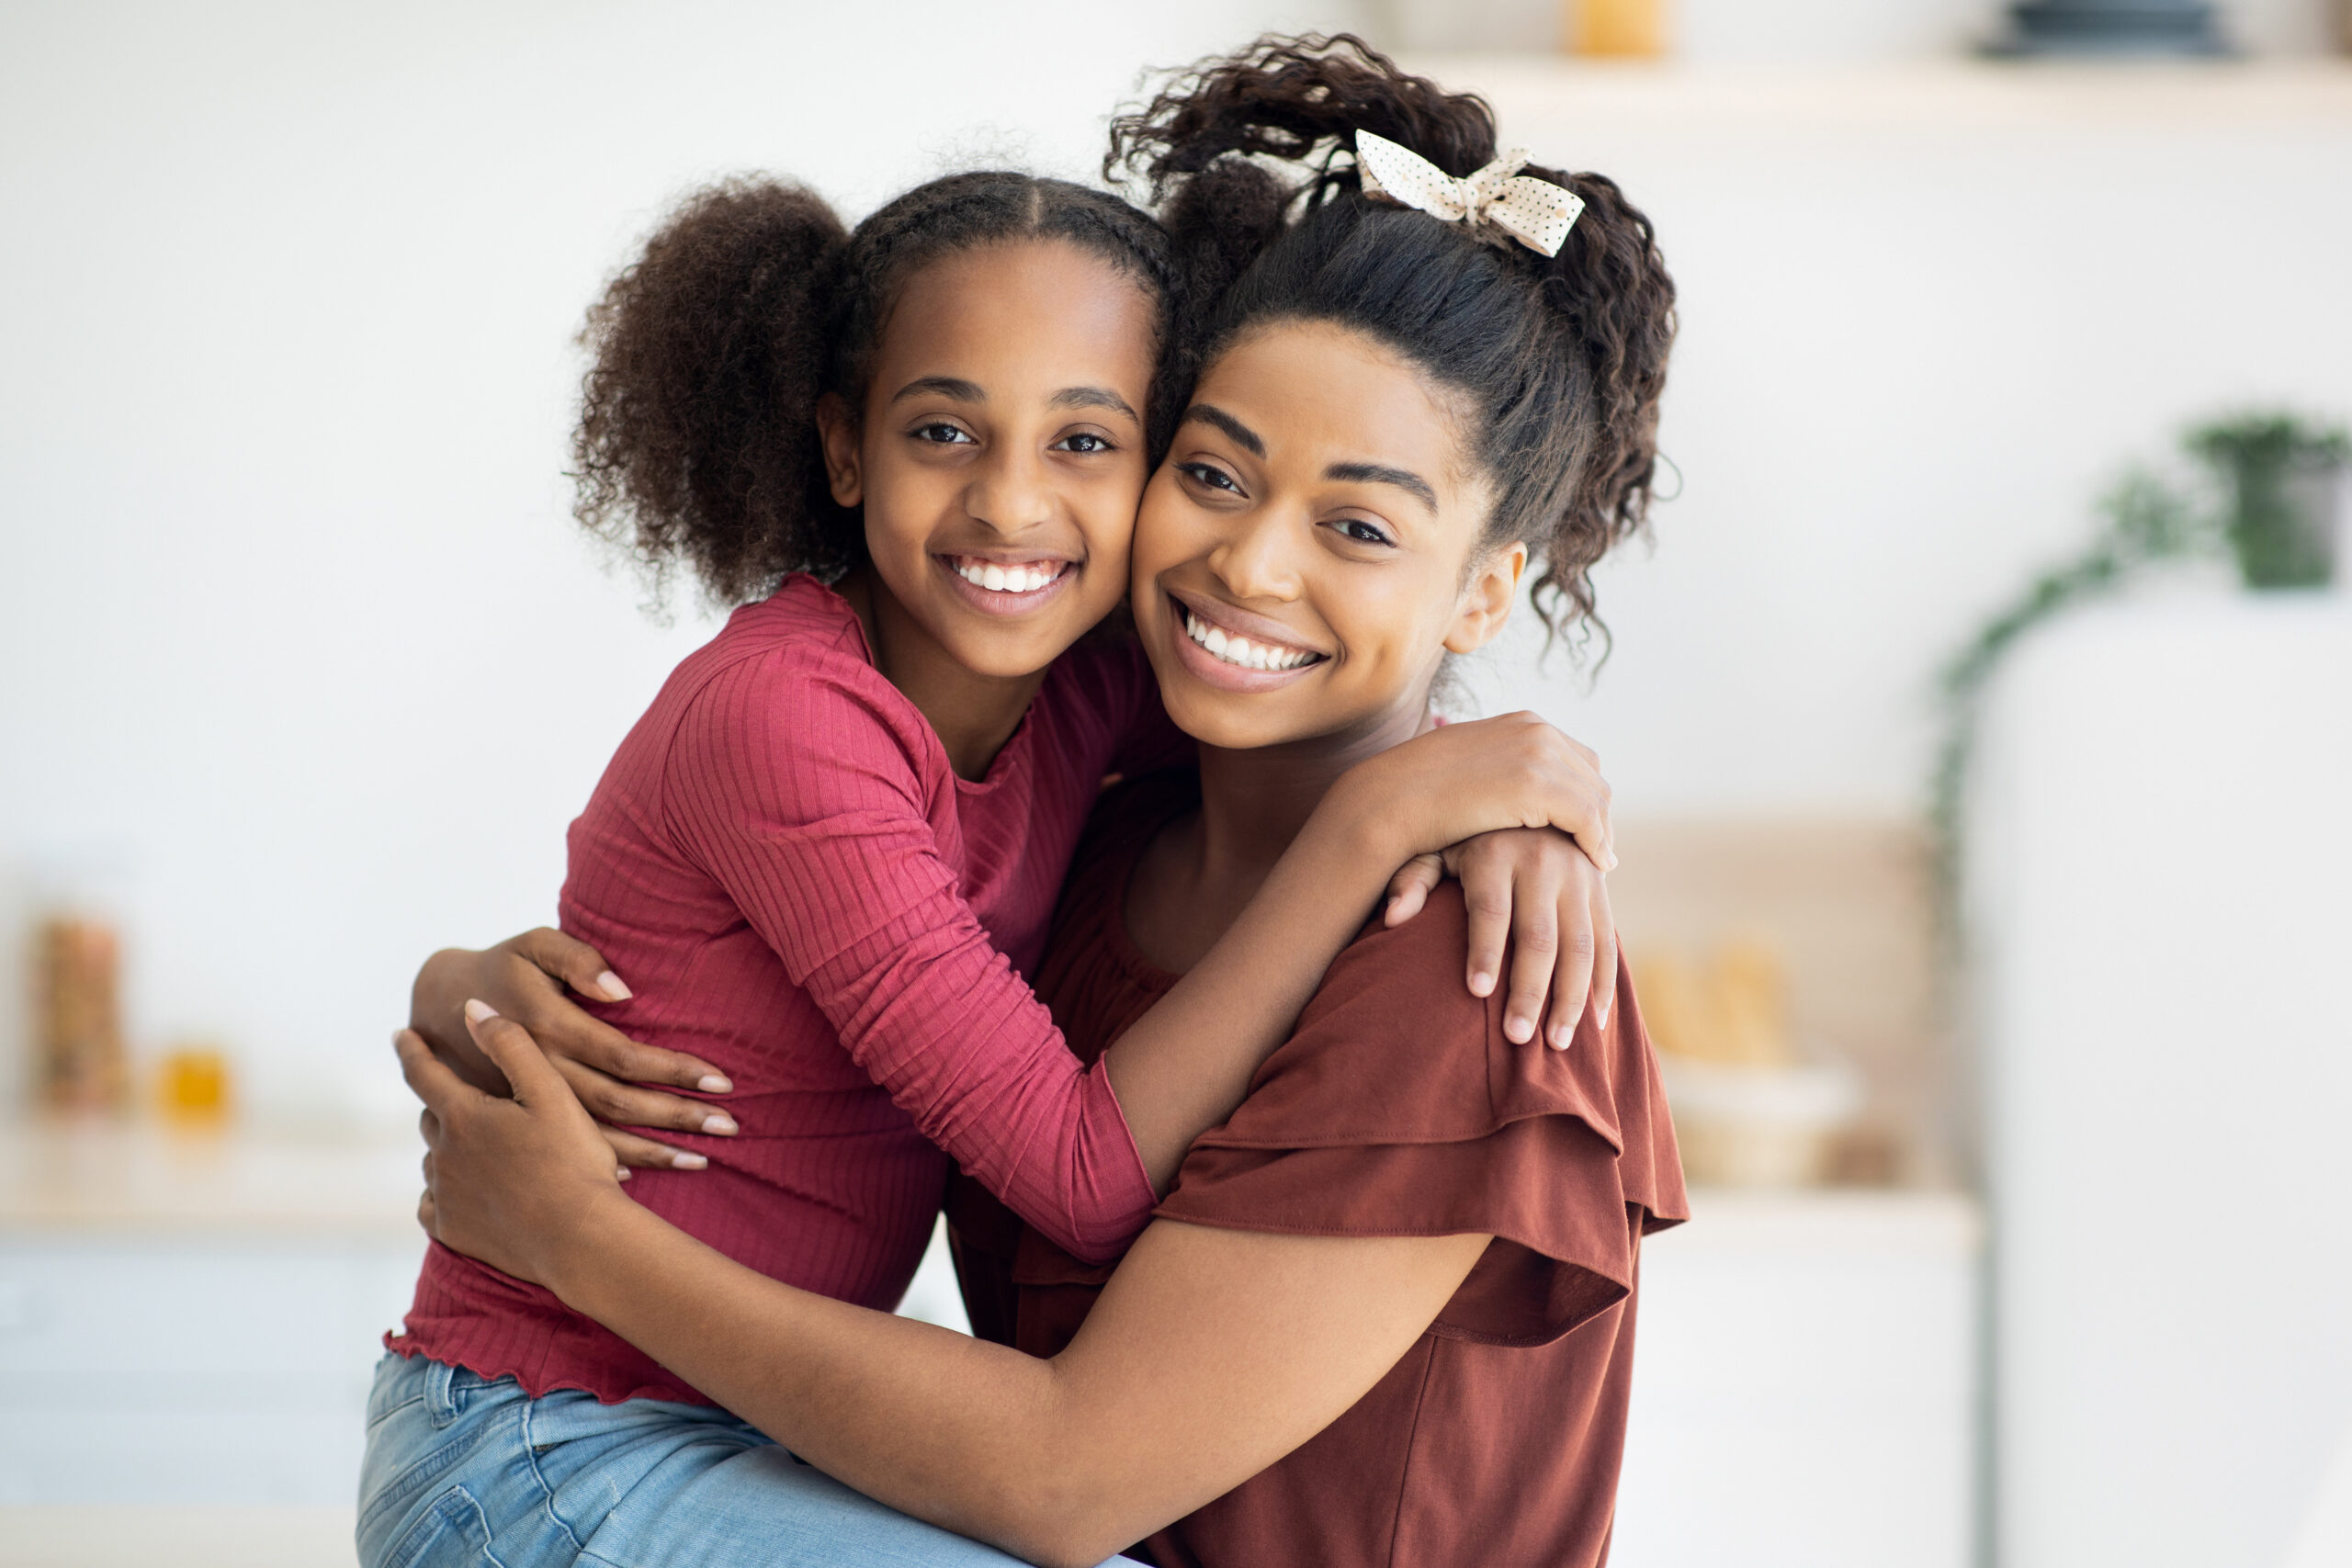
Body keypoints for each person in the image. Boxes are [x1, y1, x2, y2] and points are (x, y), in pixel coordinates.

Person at [399, 35, 1685, 1568]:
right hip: (592, 1445)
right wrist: (461, 995)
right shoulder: (1077, 802)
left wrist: (1508, 797)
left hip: (724, 1443)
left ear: (1486, 591)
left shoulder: (1443, 961)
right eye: (1215, 476)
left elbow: (1066, 1478)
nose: (1252, 567)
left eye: (1356, 522)